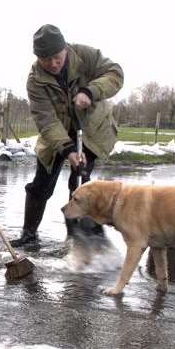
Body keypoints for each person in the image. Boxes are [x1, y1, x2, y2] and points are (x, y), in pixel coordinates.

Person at [11, 25, 123, 248]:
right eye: (46, 59)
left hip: (90, 129)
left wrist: (90, 91)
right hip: (56, 134)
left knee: (80, 181)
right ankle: (29, 234)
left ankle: (79, 241)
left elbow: (115, 74)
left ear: (65, 49)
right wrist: (67, 149)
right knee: (42, 184)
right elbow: (46, 120)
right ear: (37, 57)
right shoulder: (35, 80)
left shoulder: (85, 55)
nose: (53, 63)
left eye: (57, 57)